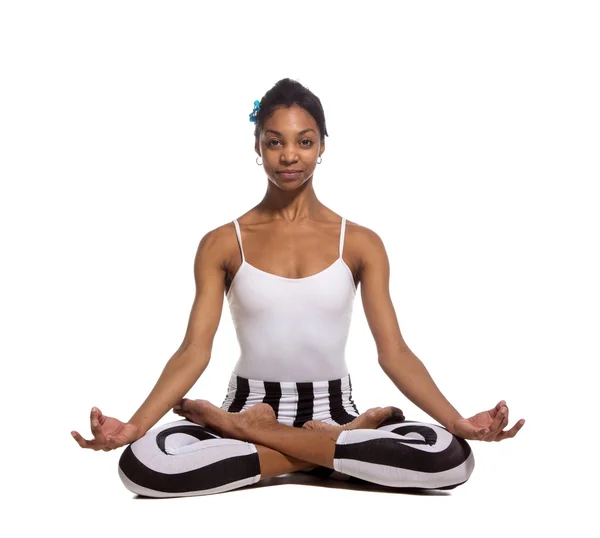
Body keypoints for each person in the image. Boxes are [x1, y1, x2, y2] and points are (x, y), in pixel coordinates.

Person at [71, 78, 525, 498]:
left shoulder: (361, 242)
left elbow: (395, 353)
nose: (290, 156)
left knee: (450, 456)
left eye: (304, 141)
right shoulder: (221, 242)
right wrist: (134, 426)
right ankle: (333, 455)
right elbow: (194, 349)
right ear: (258, 146)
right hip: (249, 402)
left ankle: (257, 434)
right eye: (275, 142)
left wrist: (458, 421)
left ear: (322, 146)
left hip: (331, 414)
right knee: (144, 464)